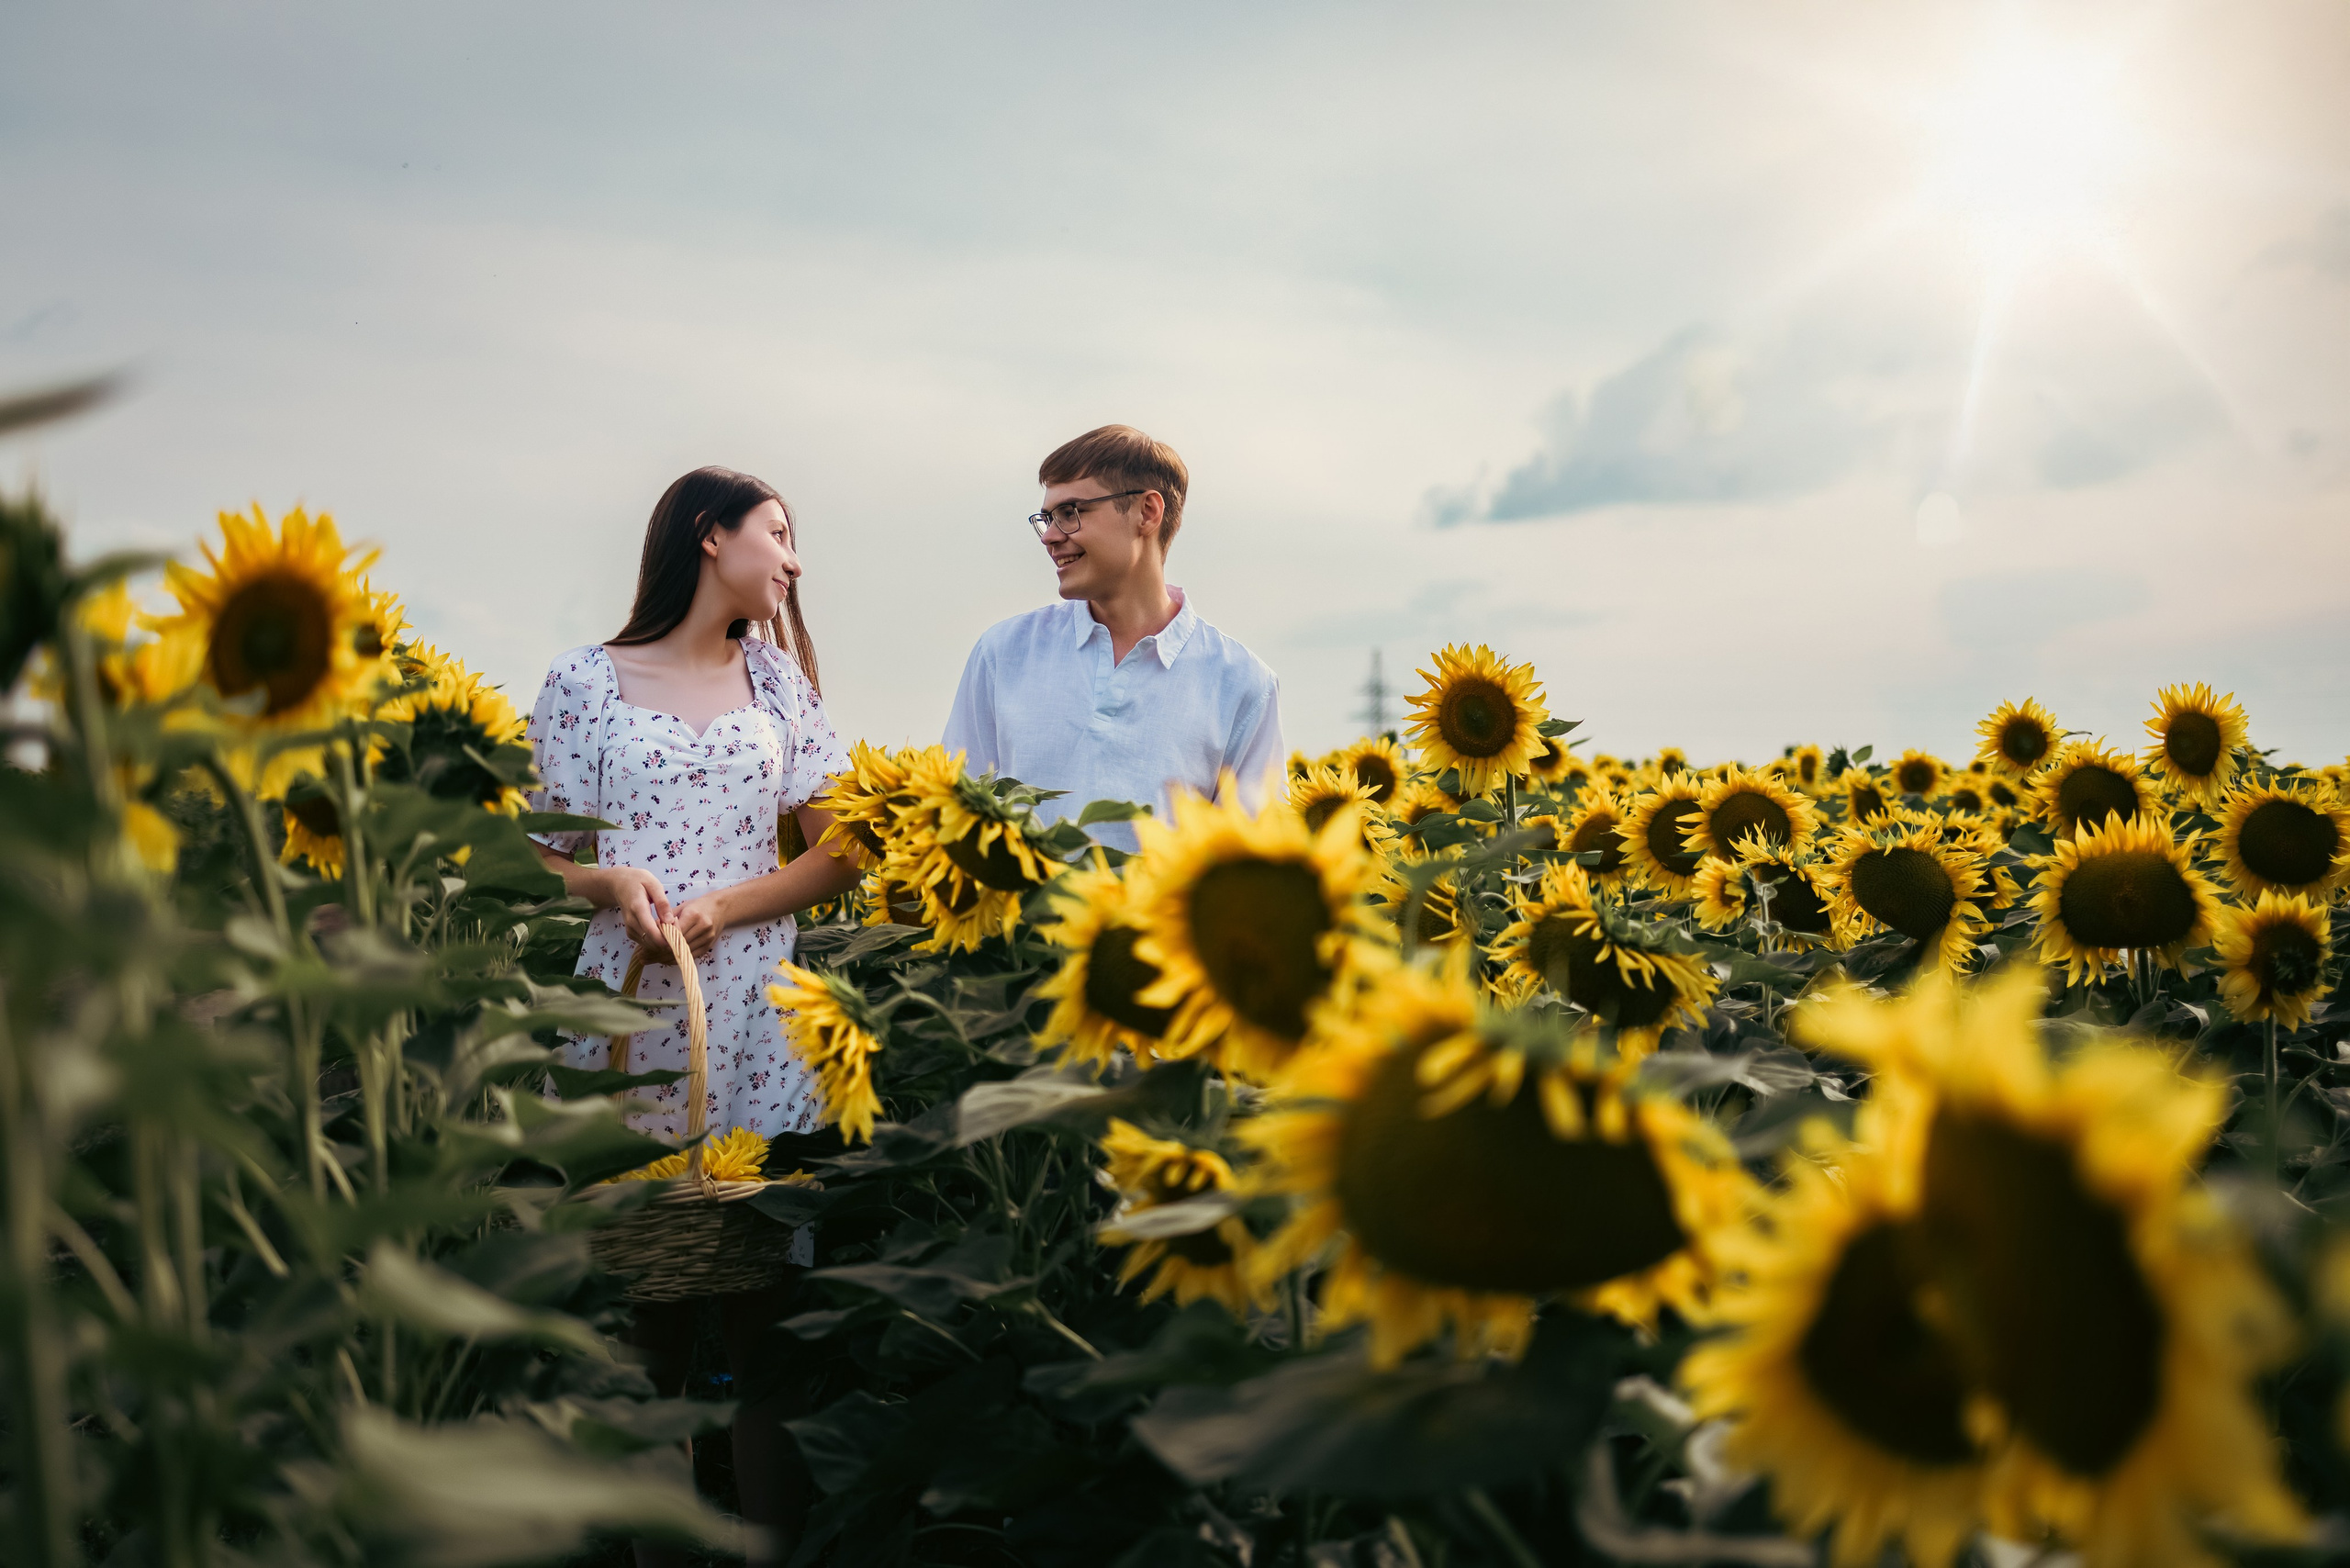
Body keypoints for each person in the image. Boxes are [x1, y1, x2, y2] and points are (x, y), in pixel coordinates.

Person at [523, 465, 863, 1568]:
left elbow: (839, 848)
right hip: (625, 1024)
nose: (794, 559)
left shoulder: (778, 686)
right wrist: (610, 886)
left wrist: (729, 903)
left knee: (769, 1324)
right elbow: (537, 857)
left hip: (756, 1029)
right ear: (712, 538)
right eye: (780, 533)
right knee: (640, 1324)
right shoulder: (584, 681)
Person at [942, 424, 1284, 850]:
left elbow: (1252, 855)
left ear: (1147, 512)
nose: (1049, 535)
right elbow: (953, 818)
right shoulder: (1003, 654)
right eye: (1046, 518)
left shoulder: (1242, 684)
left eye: (1070, 512)